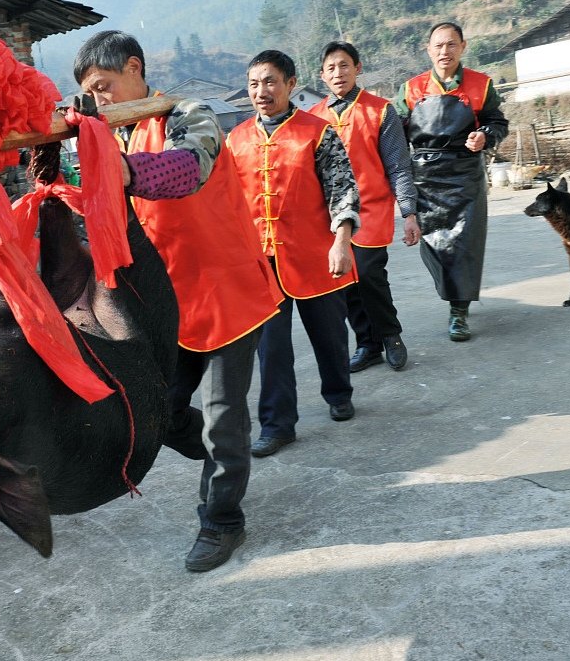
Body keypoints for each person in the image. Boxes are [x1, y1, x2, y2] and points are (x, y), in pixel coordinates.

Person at [73, 30, 283, 572]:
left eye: (105, 86)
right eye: (90, 94)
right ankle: (218, 456)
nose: (100, 100)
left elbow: (190, 167)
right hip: (165, 306)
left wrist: (125, 173)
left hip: (225, 293)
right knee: (155, 412)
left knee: (221, 419)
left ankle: (221, 521)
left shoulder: (187, 114)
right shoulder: (110, 137)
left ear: (135, 69)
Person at [225, 50, 361, 458]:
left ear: (290, 84)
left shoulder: (317, 132)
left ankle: (338, 392)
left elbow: (343, 189)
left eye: (269, 82)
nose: (260, 92)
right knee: (272, 347)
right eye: (253, 84)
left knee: (330, 335)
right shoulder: (235, 140)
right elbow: (226, 202)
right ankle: (278, 424)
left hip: (314, 255)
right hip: (259, 263)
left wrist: (342, 241)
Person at [392, 22, 509, 341]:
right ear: (428, 50)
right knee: (435, 245)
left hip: (466, 176)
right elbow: (396, 136)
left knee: (465, 245)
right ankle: (454, 296)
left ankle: (458, 311)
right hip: (426, 178)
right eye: (439, 45)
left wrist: (484, 135)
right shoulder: (411, 89)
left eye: (451, 44)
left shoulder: (481, 85)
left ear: (463, 46)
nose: (445, 51)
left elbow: (497, 122)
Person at [312, 41, 421, 373]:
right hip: (330, 215)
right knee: (344, 279)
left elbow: (398, 165)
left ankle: (391, 336)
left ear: (357, 68)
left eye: (344, 65)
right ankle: (367, 343)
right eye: (330, 68)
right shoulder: (312, 118)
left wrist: (409, 212)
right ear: (321, 76)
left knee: (370, 275)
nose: (338, 73)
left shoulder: (380, 110)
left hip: (372, 209)